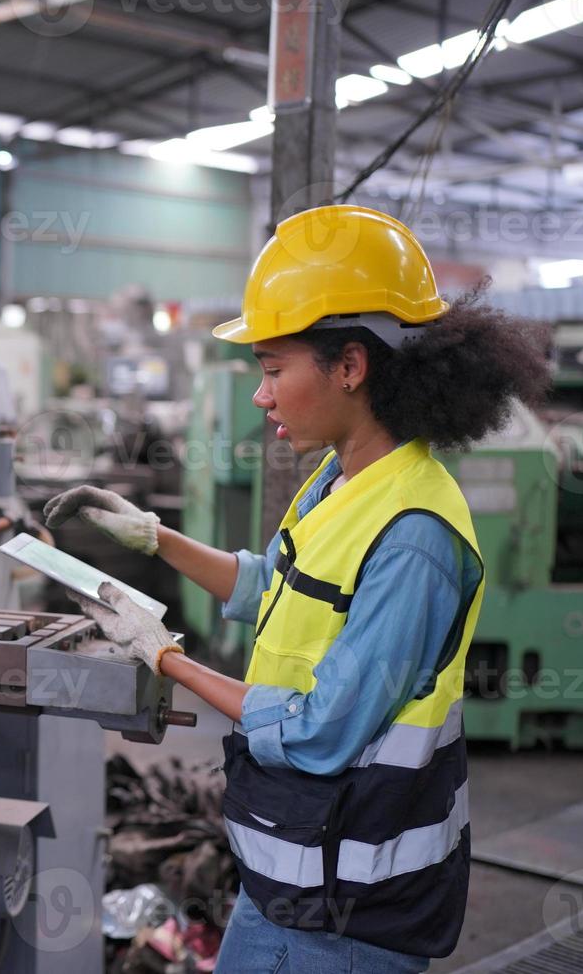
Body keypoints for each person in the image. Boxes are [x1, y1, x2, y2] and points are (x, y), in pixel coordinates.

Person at [46, 206, 549, 972]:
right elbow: (273, 587)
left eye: (275, 370)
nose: (261, 396)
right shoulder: (343, 477)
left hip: (352, 901)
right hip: (295, 863)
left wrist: (163, 656)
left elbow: (323, 728)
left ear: (351, 365)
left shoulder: (415, 536)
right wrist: (154, 538)